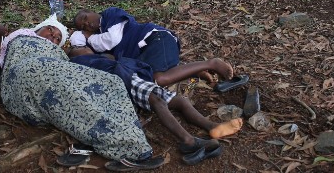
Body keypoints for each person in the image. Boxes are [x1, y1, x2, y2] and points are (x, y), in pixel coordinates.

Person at [0, 15, 165, 171]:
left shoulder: (57, 55)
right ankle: (130, 150)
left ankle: (122, 142)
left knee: (112, 82)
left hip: (45, 78)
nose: (53, 35)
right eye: (50, 29)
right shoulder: (21, 36)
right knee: (72, 94)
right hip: (29, 74)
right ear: (39, 27)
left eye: (58, 38)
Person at [67, 46, 243, 165]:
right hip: (123, 80)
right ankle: (188, 140)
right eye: (79, 48)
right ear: (75, 55)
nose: (85, 47)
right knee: (156, 100)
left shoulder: (100, 56)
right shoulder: (80, 63)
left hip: (130, 78)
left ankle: (212, 127)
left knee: (180, 101)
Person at [70, 7, 234, 87]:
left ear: (91, 11)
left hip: (155, 38)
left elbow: (111, 39)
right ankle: (194, 70)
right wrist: (79, 39)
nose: (87, 24)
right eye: (83, 26)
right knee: (146, 79)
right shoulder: (99, 39)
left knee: (159, 79)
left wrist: (88, 37)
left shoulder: (109, 15)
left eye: (85, 17)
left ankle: (211, 63)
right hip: (145, 54)